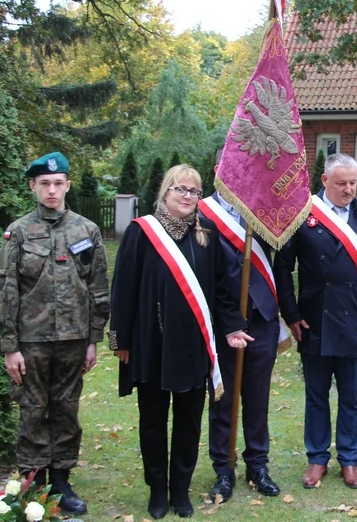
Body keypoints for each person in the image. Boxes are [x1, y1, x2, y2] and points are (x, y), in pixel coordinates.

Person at [109, 165, 250, 519]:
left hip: (191, 346)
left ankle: (180, 490)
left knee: (189, 422)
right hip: (151, 345)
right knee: (153, 421)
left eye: (194, 191)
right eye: (180, 189)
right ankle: (157, 490)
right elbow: (123, 289)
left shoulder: (207, 235)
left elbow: (219, 289)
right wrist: (120, 339)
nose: (187, 196)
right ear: (165, 192)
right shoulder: (142, 233)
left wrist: (231, 326)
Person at [0, 151, 109, 515]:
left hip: (74, 340)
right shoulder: (19, 232)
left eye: (58, 183)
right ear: (33, 186)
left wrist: (93, 339)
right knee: (32, 410)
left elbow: (98, 289)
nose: (52, 190)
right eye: (45, 183)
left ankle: (61, 481)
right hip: (31, 341)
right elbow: (6, 291)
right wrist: (10, 346)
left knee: (66, 410)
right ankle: (33, 483)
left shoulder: (86, 230)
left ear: (68, 185)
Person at [273, 153, 357, 490]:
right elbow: (282, 267)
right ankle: (316, 458)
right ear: (324, 181)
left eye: (354, 182)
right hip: (314, 319)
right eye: (342, 183)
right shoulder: (303, 214)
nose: (349, 189)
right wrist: (291, 314)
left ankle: (350, 459)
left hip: (356, 319)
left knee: (352, 396)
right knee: (316, 394)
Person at [201, 158, 283, 502]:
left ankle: (257, 463)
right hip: (222, 318)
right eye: (228, 171)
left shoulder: (262, 210)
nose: (235, 177)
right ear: (219, 174)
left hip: (261, 316)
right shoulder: (202, 212)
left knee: (257, 394)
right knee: (223, 396)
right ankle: (223, 466)